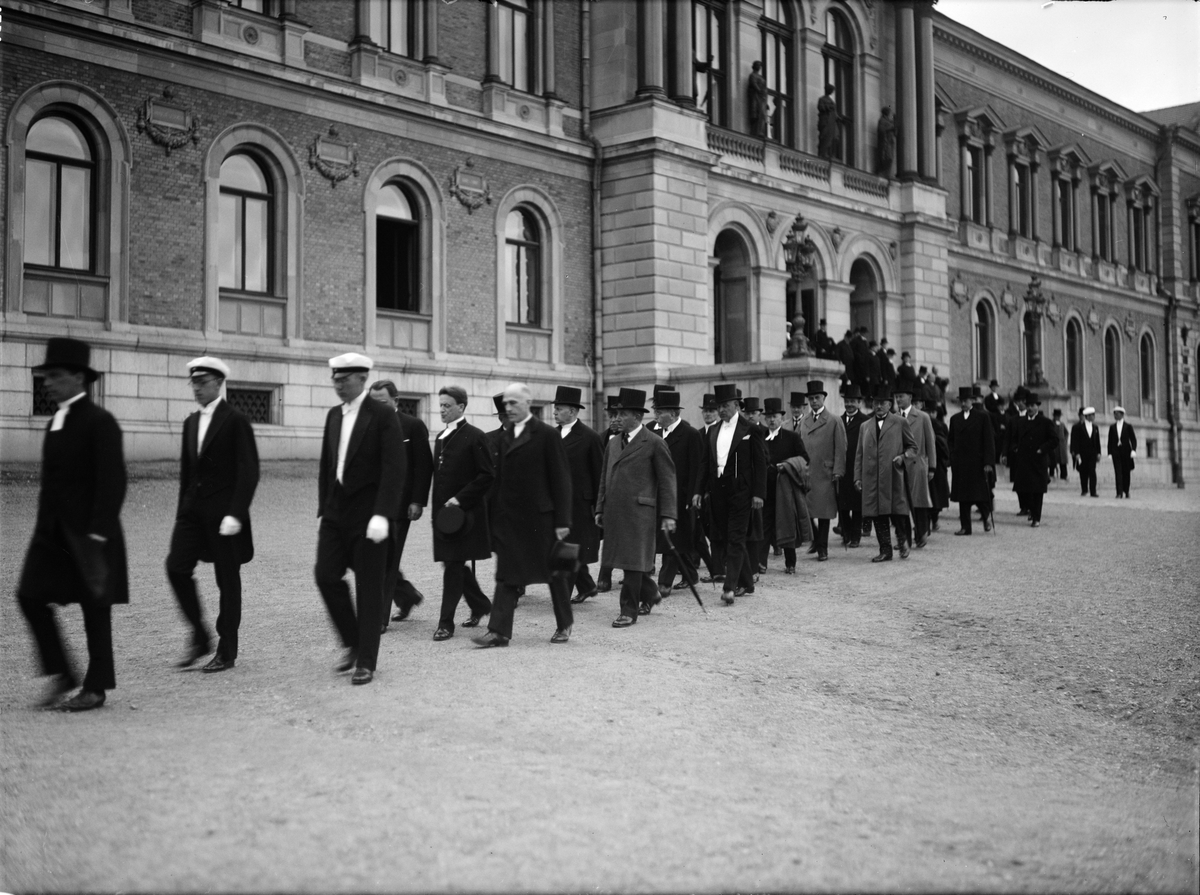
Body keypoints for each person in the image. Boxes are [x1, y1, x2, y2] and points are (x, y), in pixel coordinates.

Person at [17, 338, 128, 711]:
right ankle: (63, 672)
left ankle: (96, 688)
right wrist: (43, 529)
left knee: (95, 607)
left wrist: (98, 531)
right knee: (29, 595)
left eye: (55, 376)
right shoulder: (55, 422)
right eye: (46, 376)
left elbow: (113, 481)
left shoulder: (100, 421)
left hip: (89, 534)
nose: (47, 383)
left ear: (79, 378)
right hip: (52, 533)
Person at [315, 353, 404, 685]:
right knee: (325, 575)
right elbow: (328, 464)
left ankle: (366, 660)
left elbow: (395, 467)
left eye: (344, 380)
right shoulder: (333, 415)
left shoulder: (382, 415)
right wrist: (324, 507)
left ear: (362, 379)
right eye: (335, 380)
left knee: (369, 588)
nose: (338, 385)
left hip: (369, 516)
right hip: (336, 513)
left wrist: (383, 514)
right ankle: (353, 640)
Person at [167, 356, 260, 673]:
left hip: (225, 517)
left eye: (202, 382)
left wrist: (236, 514)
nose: (197, 388)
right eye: (193, 383)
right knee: (176, 567)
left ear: (219, 384)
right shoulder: (191, 422)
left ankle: (226, 650)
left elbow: (249, 471)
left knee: (227, 581)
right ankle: (199, 634)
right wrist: (182, 511)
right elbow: (187, 472)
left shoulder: (236, 420)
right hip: (192, 514)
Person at [474, 383, 574, 647]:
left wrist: (563, 521)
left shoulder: (546, 435)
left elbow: (561, 479)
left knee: (554, 573)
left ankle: (564, 623)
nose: (509, 408)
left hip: (541, 519)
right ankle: (498, 631)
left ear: (528, 404)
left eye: (514, 403)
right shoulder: (504, 437)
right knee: (506, 574)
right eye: (506, 404)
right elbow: (497, 482)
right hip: (510, 520)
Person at [595, 388, 679, 627]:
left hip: (639, 514)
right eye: (616, 414)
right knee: (622, 560)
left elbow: (667, 480)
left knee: (632, 562)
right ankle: (650, 593)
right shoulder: (613, 444)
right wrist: (600, 508)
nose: (618, 418)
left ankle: (628, 611)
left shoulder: (654, 442)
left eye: (623, 414)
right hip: (614, 512)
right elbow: (604, 478)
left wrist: (669, 514)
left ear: (637, 417)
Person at [430, 386, 494, 642]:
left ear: (461, 407)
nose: (442, 410)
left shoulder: (475, 436)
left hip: (466, 516)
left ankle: (446, 623)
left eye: (447, 405)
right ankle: (480, 605)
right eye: (441, 405)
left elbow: (487, 475)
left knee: (453, 565)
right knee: (452, 563)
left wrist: (460, 499)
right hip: (445, 517)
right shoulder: (440, 437)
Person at [369, 380, 433, 627]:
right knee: (372, 558)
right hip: (371, 505)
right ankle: (407, 596)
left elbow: (423, 467)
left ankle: (379, 619)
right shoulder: (366, 425)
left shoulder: (412, 426)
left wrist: (417, 501)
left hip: (399, 506)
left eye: (382, 402)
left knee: (387, 560)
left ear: (396, 401)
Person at [696, 382, 766, 605]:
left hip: (741, 491)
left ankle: (729, 587)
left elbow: (760, 464)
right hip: (718, 491)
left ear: (736, 405)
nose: (721, 410)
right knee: (728, 538)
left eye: (725, 405)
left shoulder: (751, 429)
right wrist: (699, 490)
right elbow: (705, 463)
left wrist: (758, 493)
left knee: (736, 537)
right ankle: (747, 582)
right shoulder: (713, 430)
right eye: (719, 406)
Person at [552, 386, 604, 604]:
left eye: (559, 409)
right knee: (564, 546)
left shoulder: (590, 437)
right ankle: (587, 586)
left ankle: (562, 597)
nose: (555, 412)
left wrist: (599, 507)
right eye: (555, 408)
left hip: (580, 507)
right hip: (556, 504)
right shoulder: (551, 435)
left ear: (572, 411)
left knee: (570, 548)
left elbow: (599, 475)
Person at [854, 388, 918, 562]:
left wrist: (903, 457)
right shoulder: (865, 426)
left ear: (890, 405)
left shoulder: (900, 422)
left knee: (897, 513)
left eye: (882, 403)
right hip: (872, 479)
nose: (879, 406)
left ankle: (903, 541)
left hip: (893, 477)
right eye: (875, 403)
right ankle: (885, 550)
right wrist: (857, 477)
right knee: (877, 515)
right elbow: (859, 454)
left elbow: (913, 448)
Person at [652, 390, 705, 596]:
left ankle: (664, 582)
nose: (656, 415)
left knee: (672, 538)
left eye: (660, 412)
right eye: (656, 411)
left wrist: (694, 495)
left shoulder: (690, 434)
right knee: (674, 538)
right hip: (660, 495)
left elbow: (697, 469)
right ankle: (690, 574)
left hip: (682, 497)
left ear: (674, 414)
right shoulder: (654, 434)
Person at [759, 397, 809, 573]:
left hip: (785, 489)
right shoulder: (760, 437)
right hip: (765, 489)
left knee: (786, 523)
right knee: (764, 525)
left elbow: (804, 459)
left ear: (781, 417)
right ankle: (761, 562)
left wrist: (786, 466)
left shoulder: (791, 437)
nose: (772, 420)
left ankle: (790, 562)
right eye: (769, 417)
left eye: (775, 416)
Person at [799, 380, 846, 561]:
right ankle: (816, 539)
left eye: (817, 398)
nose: (814, 401)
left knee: (824, 512)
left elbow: (841, 448)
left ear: (824, 398)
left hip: (826, 473)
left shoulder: (834, 420)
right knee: (807, 509)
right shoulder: (804, 421)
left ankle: (822, 548)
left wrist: (838, 470)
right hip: (808, 472)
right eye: (811, 398)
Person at [948, 386, 996, 536]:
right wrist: (952, 457)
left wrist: (988, 462)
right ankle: (965, 527)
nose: (963, 403)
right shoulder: (955, 419)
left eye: (966, 401)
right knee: (963, 497)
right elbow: (951, 441)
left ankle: (986, 517)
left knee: (979, 494)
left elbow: (988, 441)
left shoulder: (982, 417)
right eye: (961, 401)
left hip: (977, 463)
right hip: (961, 463)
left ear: (972, 401)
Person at [895, 383, 936, 549]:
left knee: (919, 502)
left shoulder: (922, 417)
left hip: (917, 465)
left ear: (910, 397)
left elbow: (930, 443)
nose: (898, 400)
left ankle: (921, 533)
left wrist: (931, 467)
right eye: (896, 397)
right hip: (900, 466)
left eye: (901, 396)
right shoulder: (894, 418)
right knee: (901, 503)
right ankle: (904, 538)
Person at [1011, 392, 1058, 527]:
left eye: (1033, 406)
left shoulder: (1045, 422)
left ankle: (1036, 517)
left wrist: (1042, 449)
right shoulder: (1021, 422)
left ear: (1037, 407)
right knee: (1025, 490)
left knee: (1037, 491)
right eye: (1028, 406)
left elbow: (1054, 440)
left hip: (1038, 461)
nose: (1030, 408)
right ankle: (1031, 510)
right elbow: (1014, 439)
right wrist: (1015, 448)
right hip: (1024, 461)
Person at [595, 394, 624, 594]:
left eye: (617, 416)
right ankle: (604, 575)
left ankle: (639, 576)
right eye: (611, 416)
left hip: (630, 495)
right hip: (609, 496)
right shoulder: (601, 438)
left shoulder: (638, 438)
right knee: (610, 537)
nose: (614, 420)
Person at [837, 384, 867, 548]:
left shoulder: (865, 421)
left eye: (853, 401)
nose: (849, 404)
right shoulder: (838, 421)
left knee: (857, 505)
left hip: (857, 467)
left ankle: (855, 536)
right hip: (841, 468)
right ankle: (846, 532)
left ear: (859, 403)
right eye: (847, 401)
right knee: (841, 503)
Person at [928, 401, 951, 532]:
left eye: (932, 412)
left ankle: (934, 519)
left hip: (937, 463)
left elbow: (945, 444)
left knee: (936, 494)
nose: (930, 415)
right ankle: (927, 522)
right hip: (929, 463)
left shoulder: (940, 426)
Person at [1071, 406, 1102, 497]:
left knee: (1092, 471)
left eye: (1093, 415)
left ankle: (1093, 491)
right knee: (1083, 472)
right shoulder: (1077, 427)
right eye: (1091, 415)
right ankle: (1084, 489)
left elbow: (1097, 441)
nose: (1093, 417)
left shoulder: (1095, 427)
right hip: (1082, 453)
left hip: (1092, 453)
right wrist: (1076, 453)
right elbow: (1075, 441)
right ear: (1087, 416)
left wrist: (1099, 453)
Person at [1108, 407, 1137, 498]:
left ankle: (1126, 491)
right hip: (1116, 453)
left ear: (1122, 415)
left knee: (1126, 472)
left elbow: (1133, 439)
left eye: (1117, 414)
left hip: (1126, 453)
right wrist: (1109, 453)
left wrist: (1133, 450)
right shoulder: (1112, 427)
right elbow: (1110, 441)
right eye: (1114, 414)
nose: (1115, 415)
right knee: (1118, 472)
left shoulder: (1128, 426)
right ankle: (1119, 492)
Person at [748, 61, 769, 138]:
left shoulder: (760, 76)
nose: (759, 67)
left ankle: (761, 131)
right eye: (758, 65)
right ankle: (757, 132)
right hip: (757, 97)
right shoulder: (752, 75)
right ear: (754, 66)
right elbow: (754, 84)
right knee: (758, 113)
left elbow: (764, 87)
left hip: (762, 98)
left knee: (763, 114)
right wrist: (760, 90)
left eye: (760, 65)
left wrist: (765, 100)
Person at [817, 83, 837, 159]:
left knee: (835, 137)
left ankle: (831, 153)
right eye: (831, 90)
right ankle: (823, 153)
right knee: (824, 136)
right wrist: (828, 107)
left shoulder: (831, 101)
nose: (832, 92)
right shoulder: (822, 99)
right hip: (825, 121)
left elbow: (834, 112)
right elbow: (820, 107)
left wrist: (837, 117)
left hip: (832, 121)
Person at [876, 106, 896, 175]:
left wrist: (894, 126)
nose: (890, 114)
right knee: (886, 157)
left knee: (890, 158)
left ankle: (886, 173)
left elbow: (895, 132)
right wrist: (891, 127)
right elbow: (881, 130)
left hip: (890, 142)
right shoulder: (882, 120)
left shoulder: (889, 122)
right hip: (885, 142)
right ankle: (882, 172)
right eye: (890, 113)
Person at [1051, 408, 1070, 481]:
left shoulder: (1062, 424)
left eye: (1059, 416)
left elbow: (1066, 433)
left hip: (1061, 445)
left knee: (1063, 461)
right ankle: (1051, 474)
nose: (1058, 417)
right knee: (1053, 460)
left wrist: (1065, 440)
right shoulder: (1051, 424)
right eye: (1056, 416)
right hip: (1054, 445)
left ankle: (1064, 475)